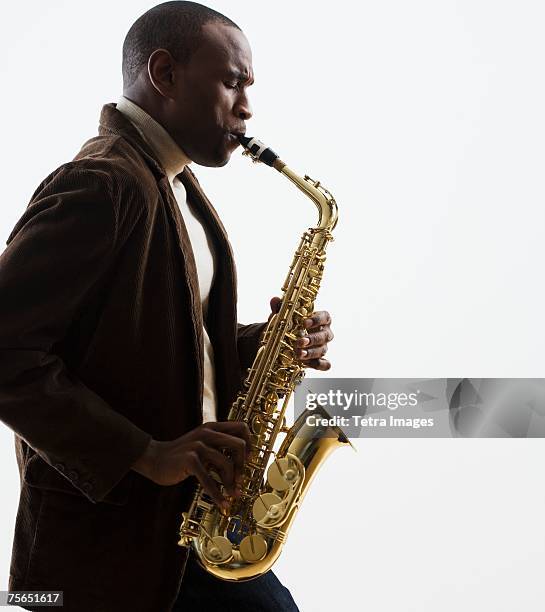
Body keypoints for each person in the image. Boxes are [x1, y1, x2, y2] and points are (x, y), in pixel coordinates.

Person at [0, 2, 334, 611]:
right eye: (232, 81)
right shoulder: (102, 183)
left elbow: (153, 342)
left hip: (191, 526)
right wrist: (146, 454)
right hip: (113, 549)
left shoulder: (174, 183)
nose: (247, 107)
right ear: (165, 73)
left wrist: (268, 343)